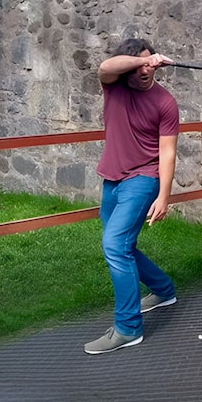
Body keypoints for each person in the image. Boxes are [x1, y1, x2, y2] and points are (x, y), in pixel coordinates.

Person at [84, 38, 180, 355]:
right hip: (112, 177)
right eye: (138, 65)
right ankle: (164, 290)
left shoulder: (165, 103)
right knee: (123, 244)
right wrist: (143, 60)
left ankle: (128, 328)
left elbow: (167, 153)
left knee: (114, 244)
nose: (145, 70)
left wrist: (164, 196)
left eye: (150, 63)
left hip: (143, 178)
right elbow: (105, 67)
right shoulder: (114, 85)